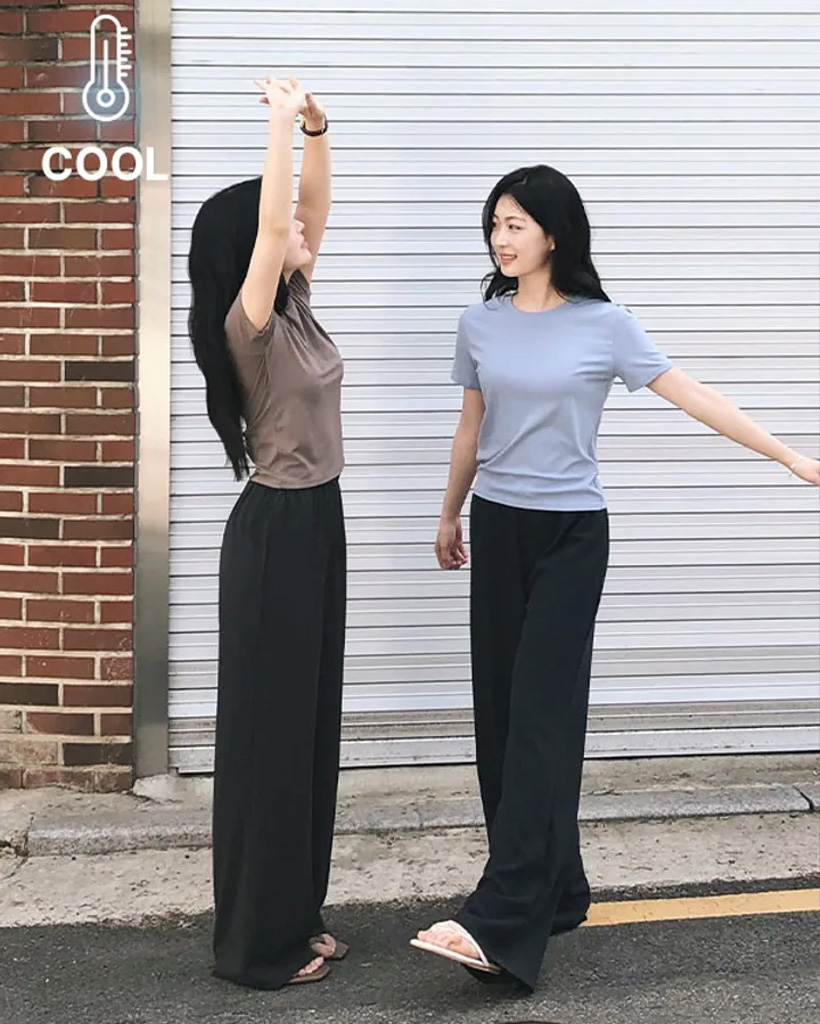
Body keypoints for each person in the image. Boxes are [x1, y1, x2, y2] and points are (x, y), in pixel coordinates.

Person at [411, 164, 820, 992]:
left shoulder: (605, 324)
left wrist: (787, 455)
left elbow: (692, 394)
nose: (500, 238)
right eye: (494, 223)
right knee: (503, 718)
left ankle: (501, 920)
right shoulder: (479, 323)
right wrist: (449, 515)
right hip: (498, 525)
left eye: (516, 224)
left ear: (555, 233)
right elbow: (470, 427)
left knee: (541, 717)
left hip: (571, 536)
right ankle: (559, 888)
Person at [187, 75, 347, 989]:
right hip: (276, 534)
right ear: (252, 245)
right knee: (269, 743)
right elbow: (275, 218)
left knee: (309, 733)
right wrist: (280, 125)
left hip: (318, 522)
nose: (299, 230)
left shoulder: (295, 300)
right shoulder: (248, 325)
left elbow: (306, 209)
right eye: (279, 226)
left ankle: (294, 915)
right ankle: (256, 948)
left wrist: (318, 128)